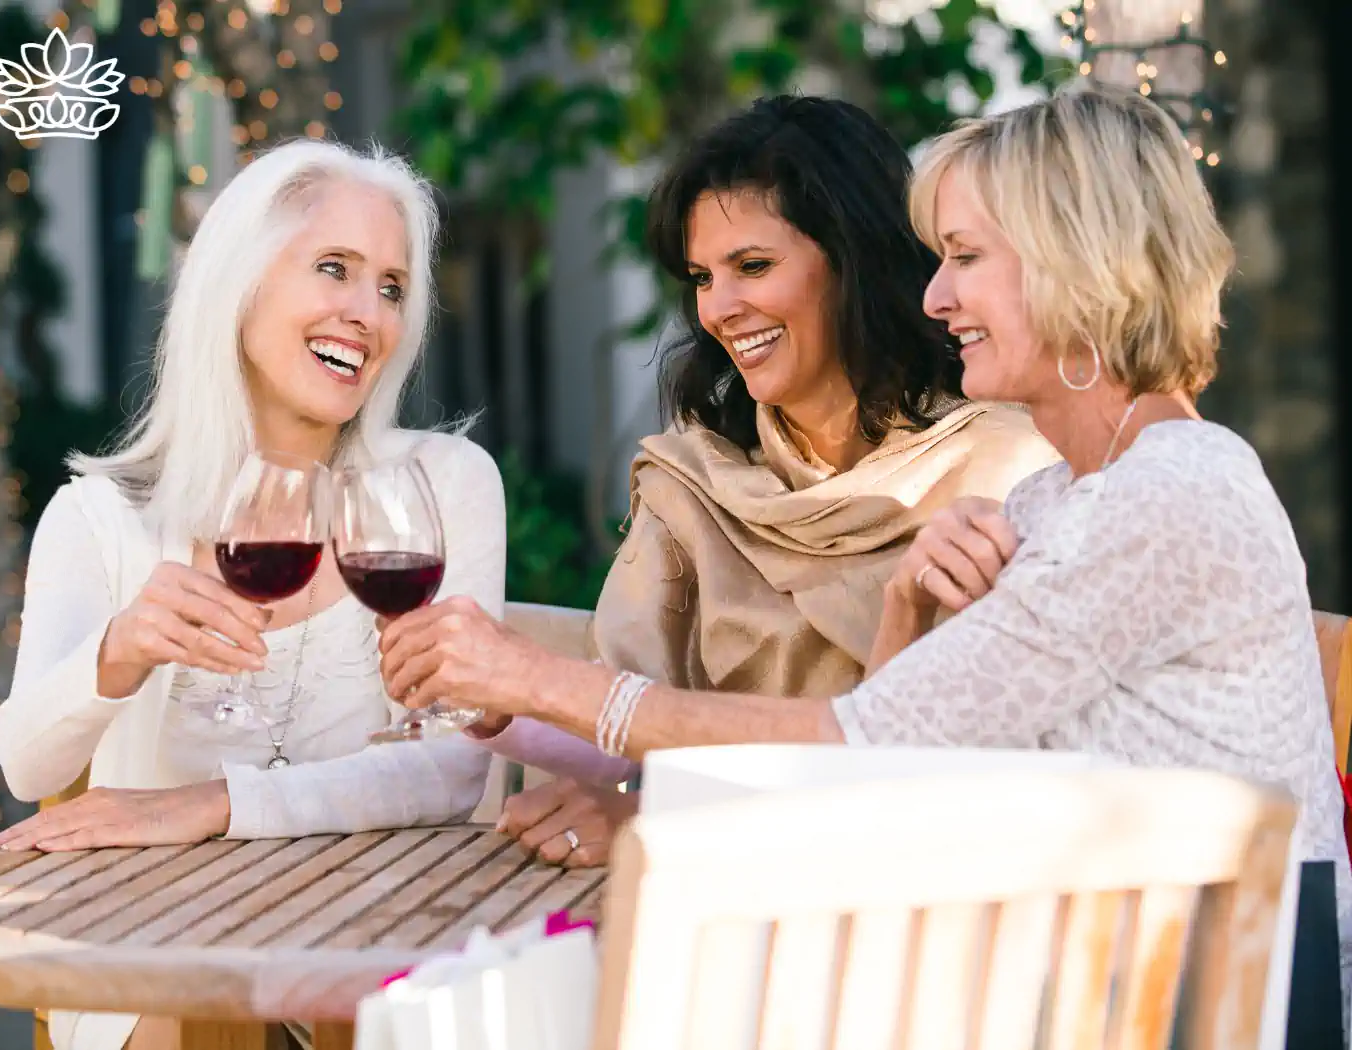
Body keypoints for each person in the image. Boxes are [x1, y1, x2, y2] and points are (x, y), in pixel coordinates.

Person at [374, 86, 1352, 1002]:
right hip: (1097, 972)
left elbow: (859, 743)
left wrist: (539, 681)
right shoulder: (1066, 497)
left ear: (1075, 268)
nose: (934, 298)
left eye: (965, 258)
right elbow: (899, 775)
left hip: (1214, 998)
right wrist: (900, 612)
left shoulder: (1161, 499)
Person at [0, 141, 505, 1050]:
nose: (365, 314)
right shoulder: (102, 517)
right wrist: (117, 652)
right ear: (240, 281)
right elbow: (27, 769)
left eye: (389, 287)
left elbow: (452, 766)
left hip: (373, 926)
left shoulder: (438, 488)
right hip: (156, 943)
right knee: (207, 1011)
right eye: (333, 269)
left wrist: (206, 807)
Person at [469, 94, 1057, 865]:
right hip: (727, 898)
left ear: (856, 259)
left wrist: (663, 819)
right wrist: (492, 704)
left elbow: (949, 769)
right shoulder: (695, 480)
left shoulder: (1010, 472)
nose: (719, 307)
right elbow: (623, 715)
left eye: (753, 266)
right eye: (702, 277)